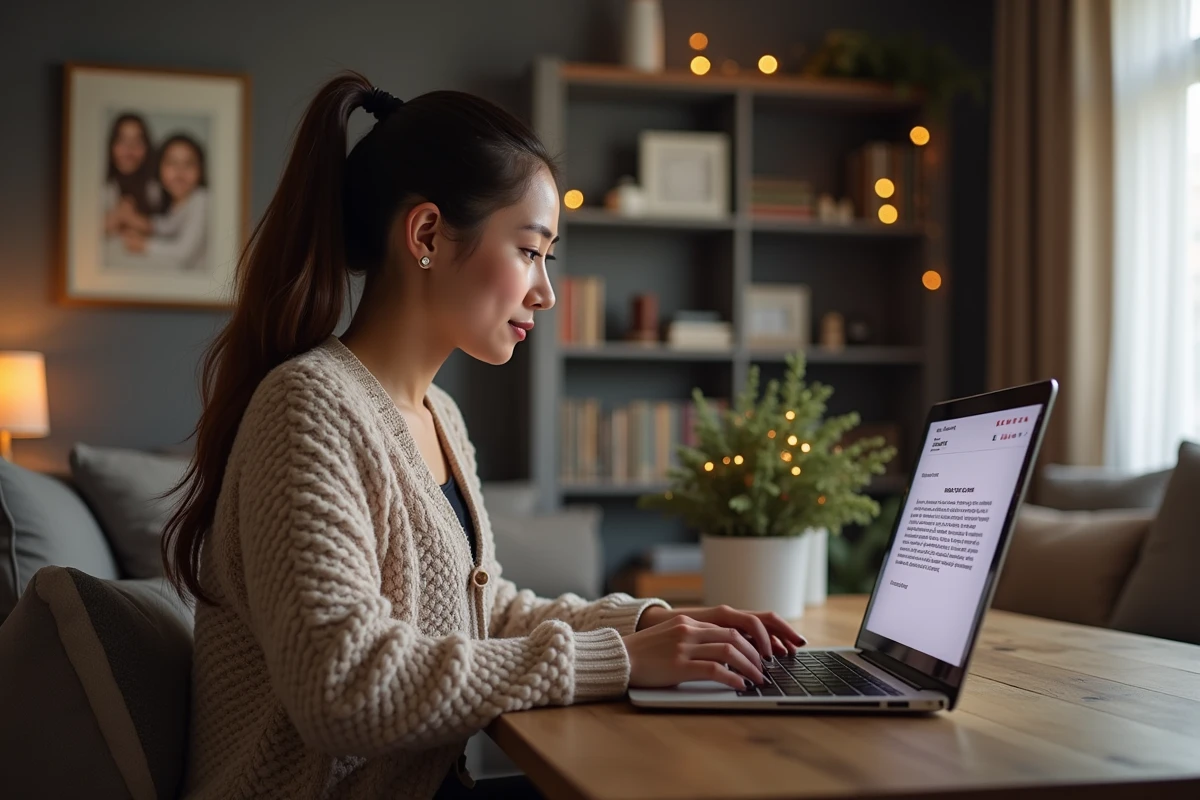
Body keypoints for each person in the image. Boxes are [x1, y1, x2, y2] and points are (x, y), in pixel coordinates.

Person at [160, 70, 805, 800]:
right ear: (428, 234)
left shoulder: (438, 415)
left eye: (546, 258)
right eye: (530, 251)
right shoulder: (309, 408)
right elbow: (341, 689)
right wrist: (619, 662)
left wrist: (652, 624)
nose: (546, 292)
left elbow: (484, 612)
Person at [119, 133, 209, 271]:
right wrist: (138, 222)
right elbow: (167, 225)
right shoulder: (178, 205)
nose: (179, 171)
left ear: (201, 170)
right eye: (172, 163)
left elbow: (184, 253)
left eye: (188, 164)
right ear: (159, 168)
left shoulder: (201, 199)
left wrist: (143, 245)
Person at [102, 112, 161, 241]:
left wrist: (132, 219)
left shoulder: (157, 188)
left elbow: (169, 231)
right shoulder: (98, 185)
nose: (129, 149)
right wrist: (118, 216)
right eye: (122, 140)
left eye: (137, 141)